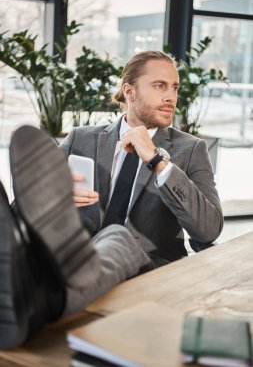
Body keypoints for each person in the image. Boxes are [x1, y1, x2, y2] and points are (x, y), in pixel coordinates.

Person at [0, 50, 223, 349]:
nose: (171, 96)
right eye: (159, 86)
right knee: (35, 227)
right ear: (129, 91)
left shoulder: (190, 149)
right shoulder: (81, 139)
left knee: (117, 237)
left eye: (175, 87)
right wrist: (60, 199)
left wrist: (157, 160)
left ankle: (40, 296)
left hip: (148, 271)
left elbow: (209, 229)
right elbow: (27, 213)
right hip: (77, 259)